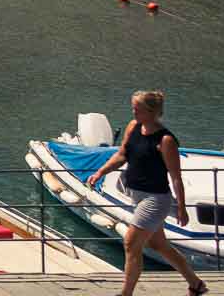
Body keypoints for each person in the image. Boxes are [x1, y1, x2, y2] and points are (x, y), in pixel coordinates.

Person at [84, 91, 207, 296]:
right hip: (136, 195)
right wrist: (100, 172)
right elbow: (122, 155)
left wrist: (182, 209)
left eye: (137, 108)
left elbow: (176, 177)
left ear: (151, 112)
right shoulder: (133, 127)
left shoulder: (166, 140)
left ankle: (126, 294)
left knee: (131, 242)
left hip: (155, 199)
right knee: (158, 244)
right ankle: (196, 284)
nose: (133, 111)